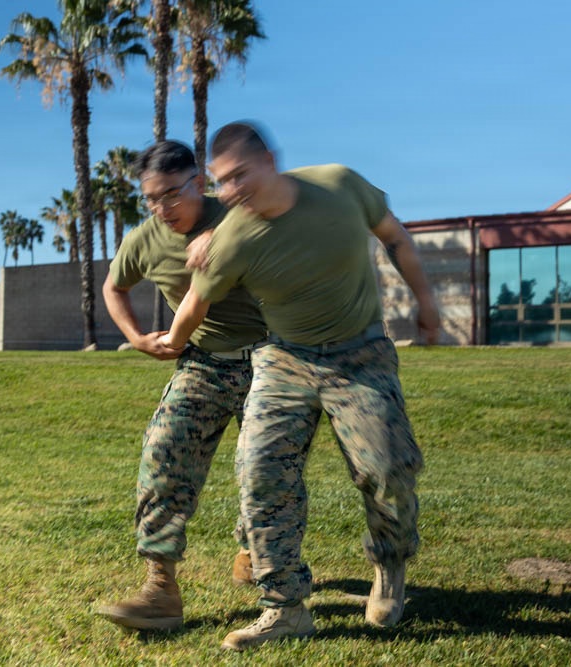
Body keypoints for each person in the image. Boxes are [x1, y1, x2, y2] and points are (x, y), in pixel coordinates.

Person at [158, 121, 441, 651]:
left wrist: (426, 304)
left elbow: (395, 237)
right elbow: (195, 302)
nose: (232, 191)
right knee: (259, 468)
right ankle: (283, 607)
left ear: (270, 159)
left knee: (387, 469)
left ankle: (390, 564)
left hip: (360, 352)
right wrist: (169, 340)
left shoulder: (339, 186)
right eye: (222, 182)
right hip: (285, 357)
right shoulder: (235, 236)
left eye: (240, 175)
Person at [93, 140, 267, 632]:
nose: (161, 208)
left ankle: (255, 550)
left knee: (266, 466)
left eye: (171, 194)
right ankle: (160, 589)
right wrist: (135, 337)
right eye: (150, 198)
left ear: (199, 181)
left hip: (273, 357)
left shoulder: (239, 212)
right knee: (164, 451)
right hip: (204, 362)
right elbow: (113, 285)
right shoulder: (144, 239)